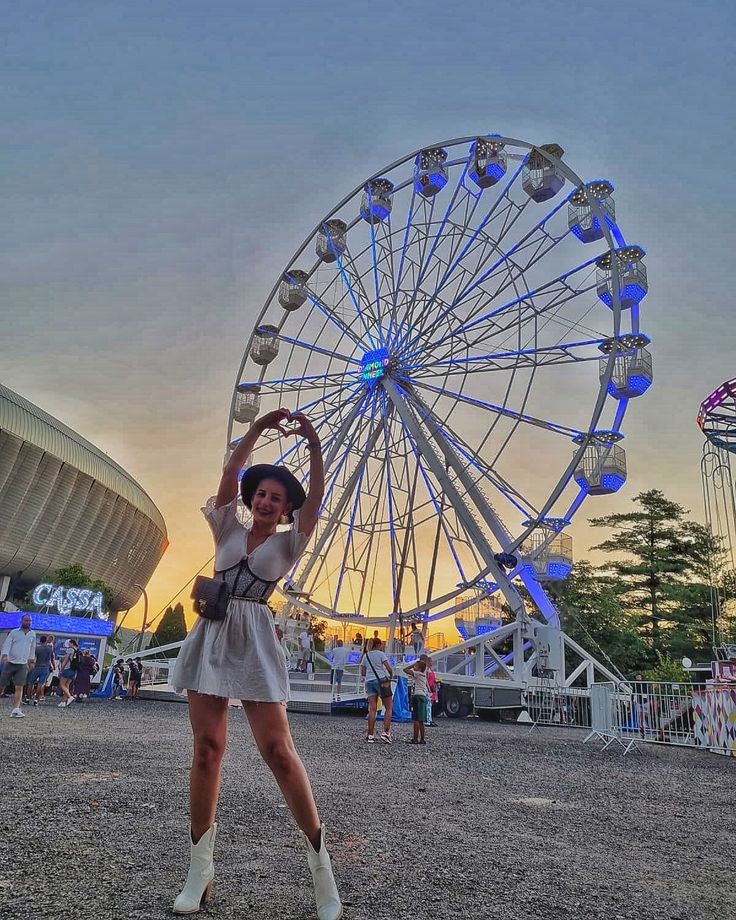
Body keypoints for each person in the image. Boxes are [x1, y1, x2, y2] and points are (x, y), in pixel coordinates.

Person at [169, 408, 341, 919]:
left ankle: (321, 868)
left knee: (279, 751)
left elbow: (319, 495)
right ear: (252, 497)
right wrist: (258, 429)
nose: (266, 501)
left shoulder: (291, 542)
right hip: (213, 635)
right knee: (207, 748)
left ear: (287, 508)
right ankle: (200, 871)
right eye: (261, 493)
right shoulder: (226, 524)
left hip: (256, 639)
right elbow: (228, 474)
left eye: (276, 497)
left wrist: (311, 443)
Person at [0, 614, 37, 718]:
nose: (28, 622)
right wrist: (5, 655)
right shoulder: (14, 632)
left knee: (19, 686)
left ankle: (16, 709)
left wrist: (31, 660)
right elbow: (7, 644)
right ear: (22, 621)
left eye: (29, 621)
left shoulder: (32, 634)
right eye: (26, 620)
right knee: (2, 685)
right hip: (10, 662)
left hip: (22, 664)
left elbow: (32, 648)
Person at [360, 637, 394, 744]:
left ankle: (370, 735)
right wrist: (390, 677)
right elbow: (389, 668)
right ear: (379, 645)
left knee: (372, 709)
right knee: (388, 707)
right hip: (382, 681)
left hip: (369, 682)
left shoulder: (366, 655)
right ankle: (386, 733)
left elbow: (363, 672)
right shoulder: (380, 654)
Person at [404, 658, 429, 744]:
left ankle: (415, 739)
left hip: (417, 696)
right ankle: (422, 739)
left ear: (419, 669)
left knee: (416, 719)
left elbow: (405, 670)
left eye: (416, 666)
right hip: (423, 696)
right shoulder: (423, 674)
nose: (414, 667)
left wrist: (412, 665)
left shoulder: (417, 674)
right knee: (421, 719)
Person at [25, 634, 55, 705]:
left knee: (30, 683)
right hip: (46, 668)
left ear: (40, 641)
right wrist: (53, 666)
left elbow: (33, 658)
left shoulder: (37, 649)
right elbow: (52, 659)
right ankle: (36, 701)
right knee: (40, 684)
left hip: (37, 667)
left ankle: (28, 699)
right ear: (46, 641)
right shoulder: (50, 649)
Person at [57, 639, 79, 707]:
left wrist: (62, 669)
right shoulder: (77, 650)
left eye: (69, 643)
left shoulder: (70, 650)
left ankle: (70, 697)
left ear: (71, 643)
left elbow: (66, 660)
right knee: (67, 686)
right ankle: (63, 702)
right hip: (73, 670)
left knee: (62, 684)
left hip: (67, 668)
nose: (68, 645)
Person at [424, 655, 439, 727]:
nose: (431, 663)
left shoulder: (431, 670)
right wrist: (428, 688)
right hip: (429, 688)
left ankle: (429, 719)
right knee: (428, 704)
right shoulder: (426, 670)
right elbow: (426, 679)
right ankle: (427, 719)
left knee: (431, 704)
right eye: (430, 662)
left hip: (432, 688)